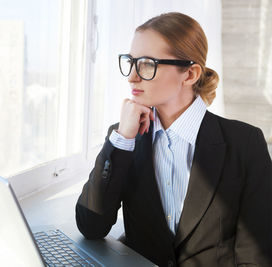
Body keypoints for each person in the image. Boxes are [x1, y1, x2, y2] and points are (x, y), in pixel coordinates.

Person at [75, 12, 272, 267]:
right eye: (130, 61)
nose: (132, 76)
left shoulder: (245, 144)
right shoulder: (126, 138)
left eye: (146, 64)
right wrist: (122, 139)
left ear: (189, 74)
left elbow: (257, 257)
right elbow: (91, 225)